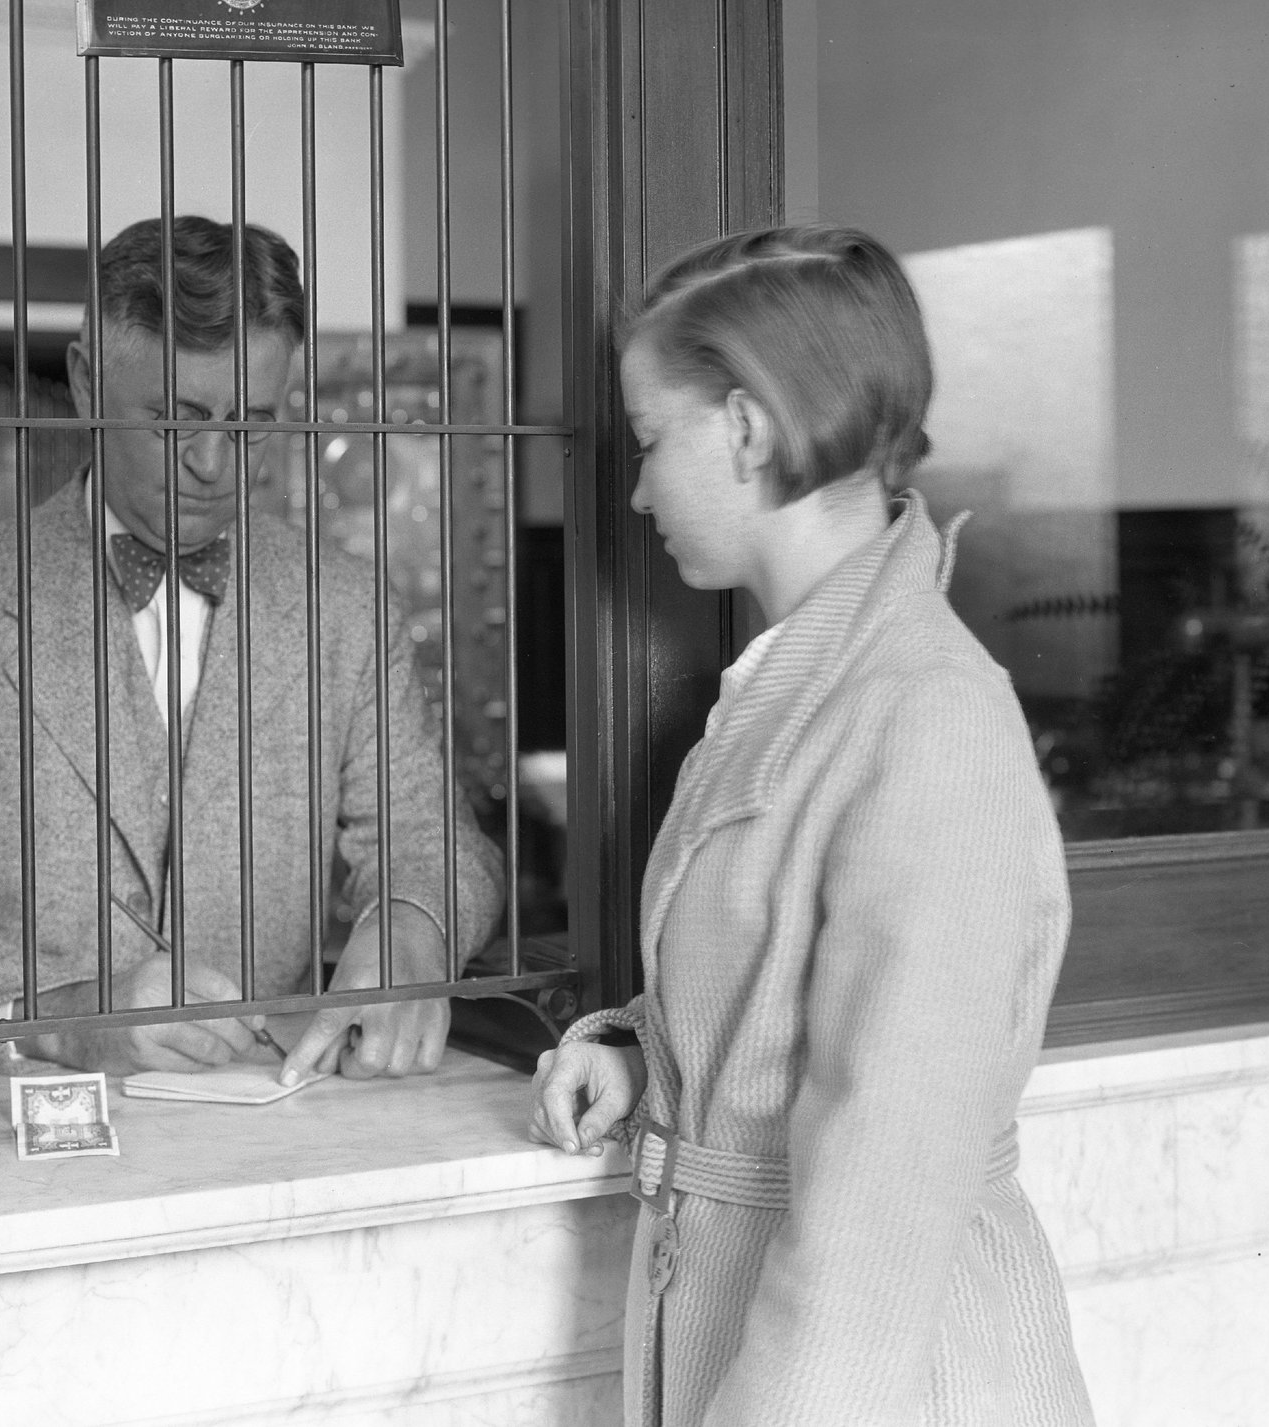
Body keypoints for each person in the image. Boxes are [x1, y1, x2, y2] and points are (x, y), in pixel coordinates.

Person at [528, 225, 1094, 1426]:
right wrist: (648, 1049)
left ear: (743, 428)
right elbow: (798, 986)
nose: (635, 488)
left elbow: (885, 1189)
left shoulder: (925, 712)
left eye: (647, 440)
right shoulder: (809, 678)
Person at [0, 216, 502, 1084]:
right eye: (176, 421)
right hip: (9, 1149)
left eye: (250, 422)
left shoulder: (346, 609)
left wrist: (411, 922)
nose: (216, 464)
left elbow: (437, 840)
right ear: (84, 384)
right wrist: (64, 1024)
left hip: (273, 1130)